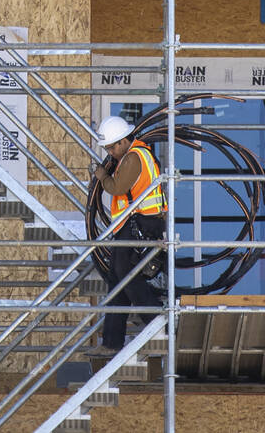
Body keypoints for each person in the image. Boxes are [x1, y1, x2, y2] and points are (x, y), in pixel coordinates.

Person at [87, 115, 167, 356]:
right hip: (134, 223)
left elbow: (117, 188)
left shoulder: (133, 157)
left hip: (141, 224)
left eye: (112, 147)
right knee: (117, 279)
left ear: (123, 141)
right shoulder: (132, 156)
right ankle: (111, 342)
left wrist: (102, 176)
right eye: (107, 148)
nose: (110, 152)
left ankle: (159, 323)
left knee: (126, 276)